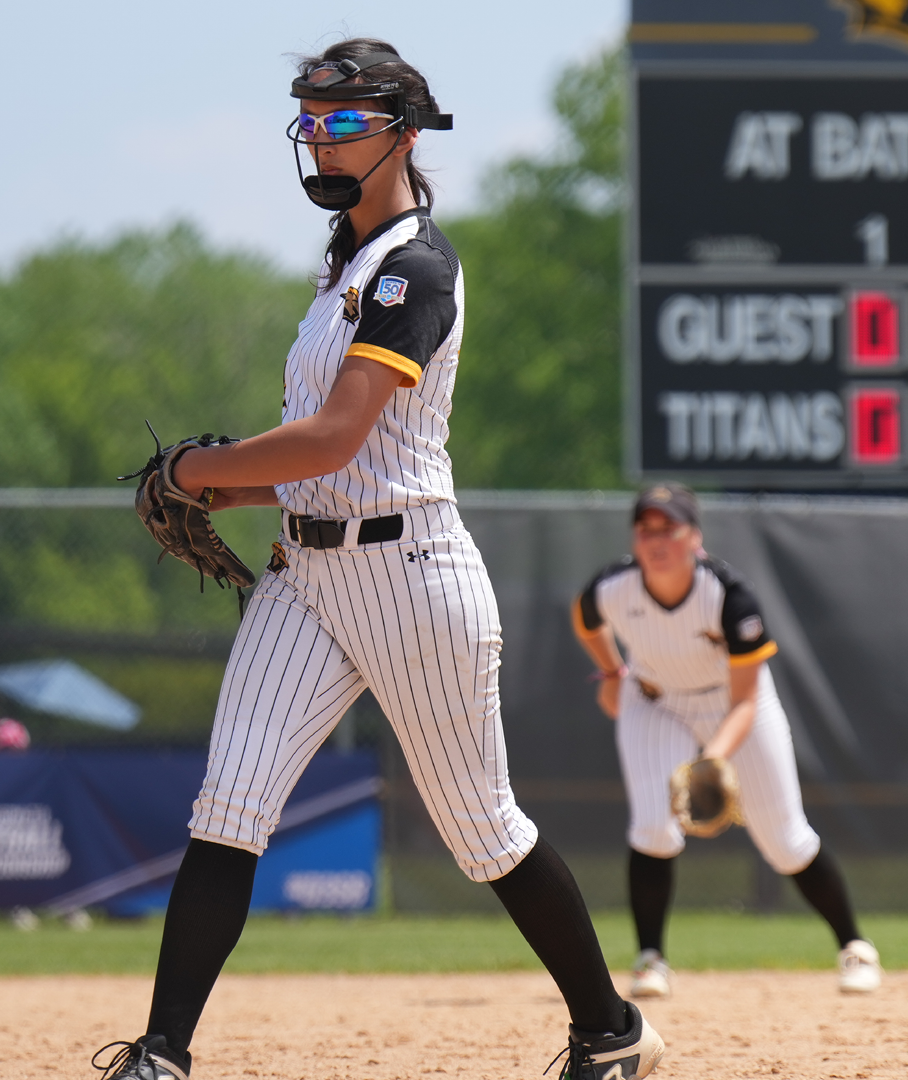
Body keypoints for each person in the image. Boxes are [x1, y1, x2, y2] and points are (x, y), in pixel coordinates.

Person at [92, 41, 663, 1080]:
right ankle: (161, 1054)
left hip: (413, 580)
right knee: (229, 807)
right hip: (307, 578)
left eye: (346, 120)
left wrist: (193, 467)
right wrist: (217, 483)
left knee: (483, 833)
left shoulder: (415, 267)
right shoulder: (342, 271)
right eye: (312, 120)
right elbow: (310, 471)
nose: (323, 137)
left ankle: (611, 1029)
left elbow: (335, 441)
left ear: (405, 129)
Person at [571, 483, 882, 998]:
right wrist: (610, 672)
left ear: (694, 537)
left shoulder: (729, 597)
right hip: (655, 701)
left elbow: (745, 700)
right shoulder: (613, 586)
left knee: (785, 840)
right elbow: (586, 620)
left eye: (669, 527)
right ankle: (651, 959)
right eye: (646, 528)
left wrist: (711, 760)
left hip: (732, 704)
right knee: (653, 827)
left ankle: (854, 946)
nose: (657, 539)